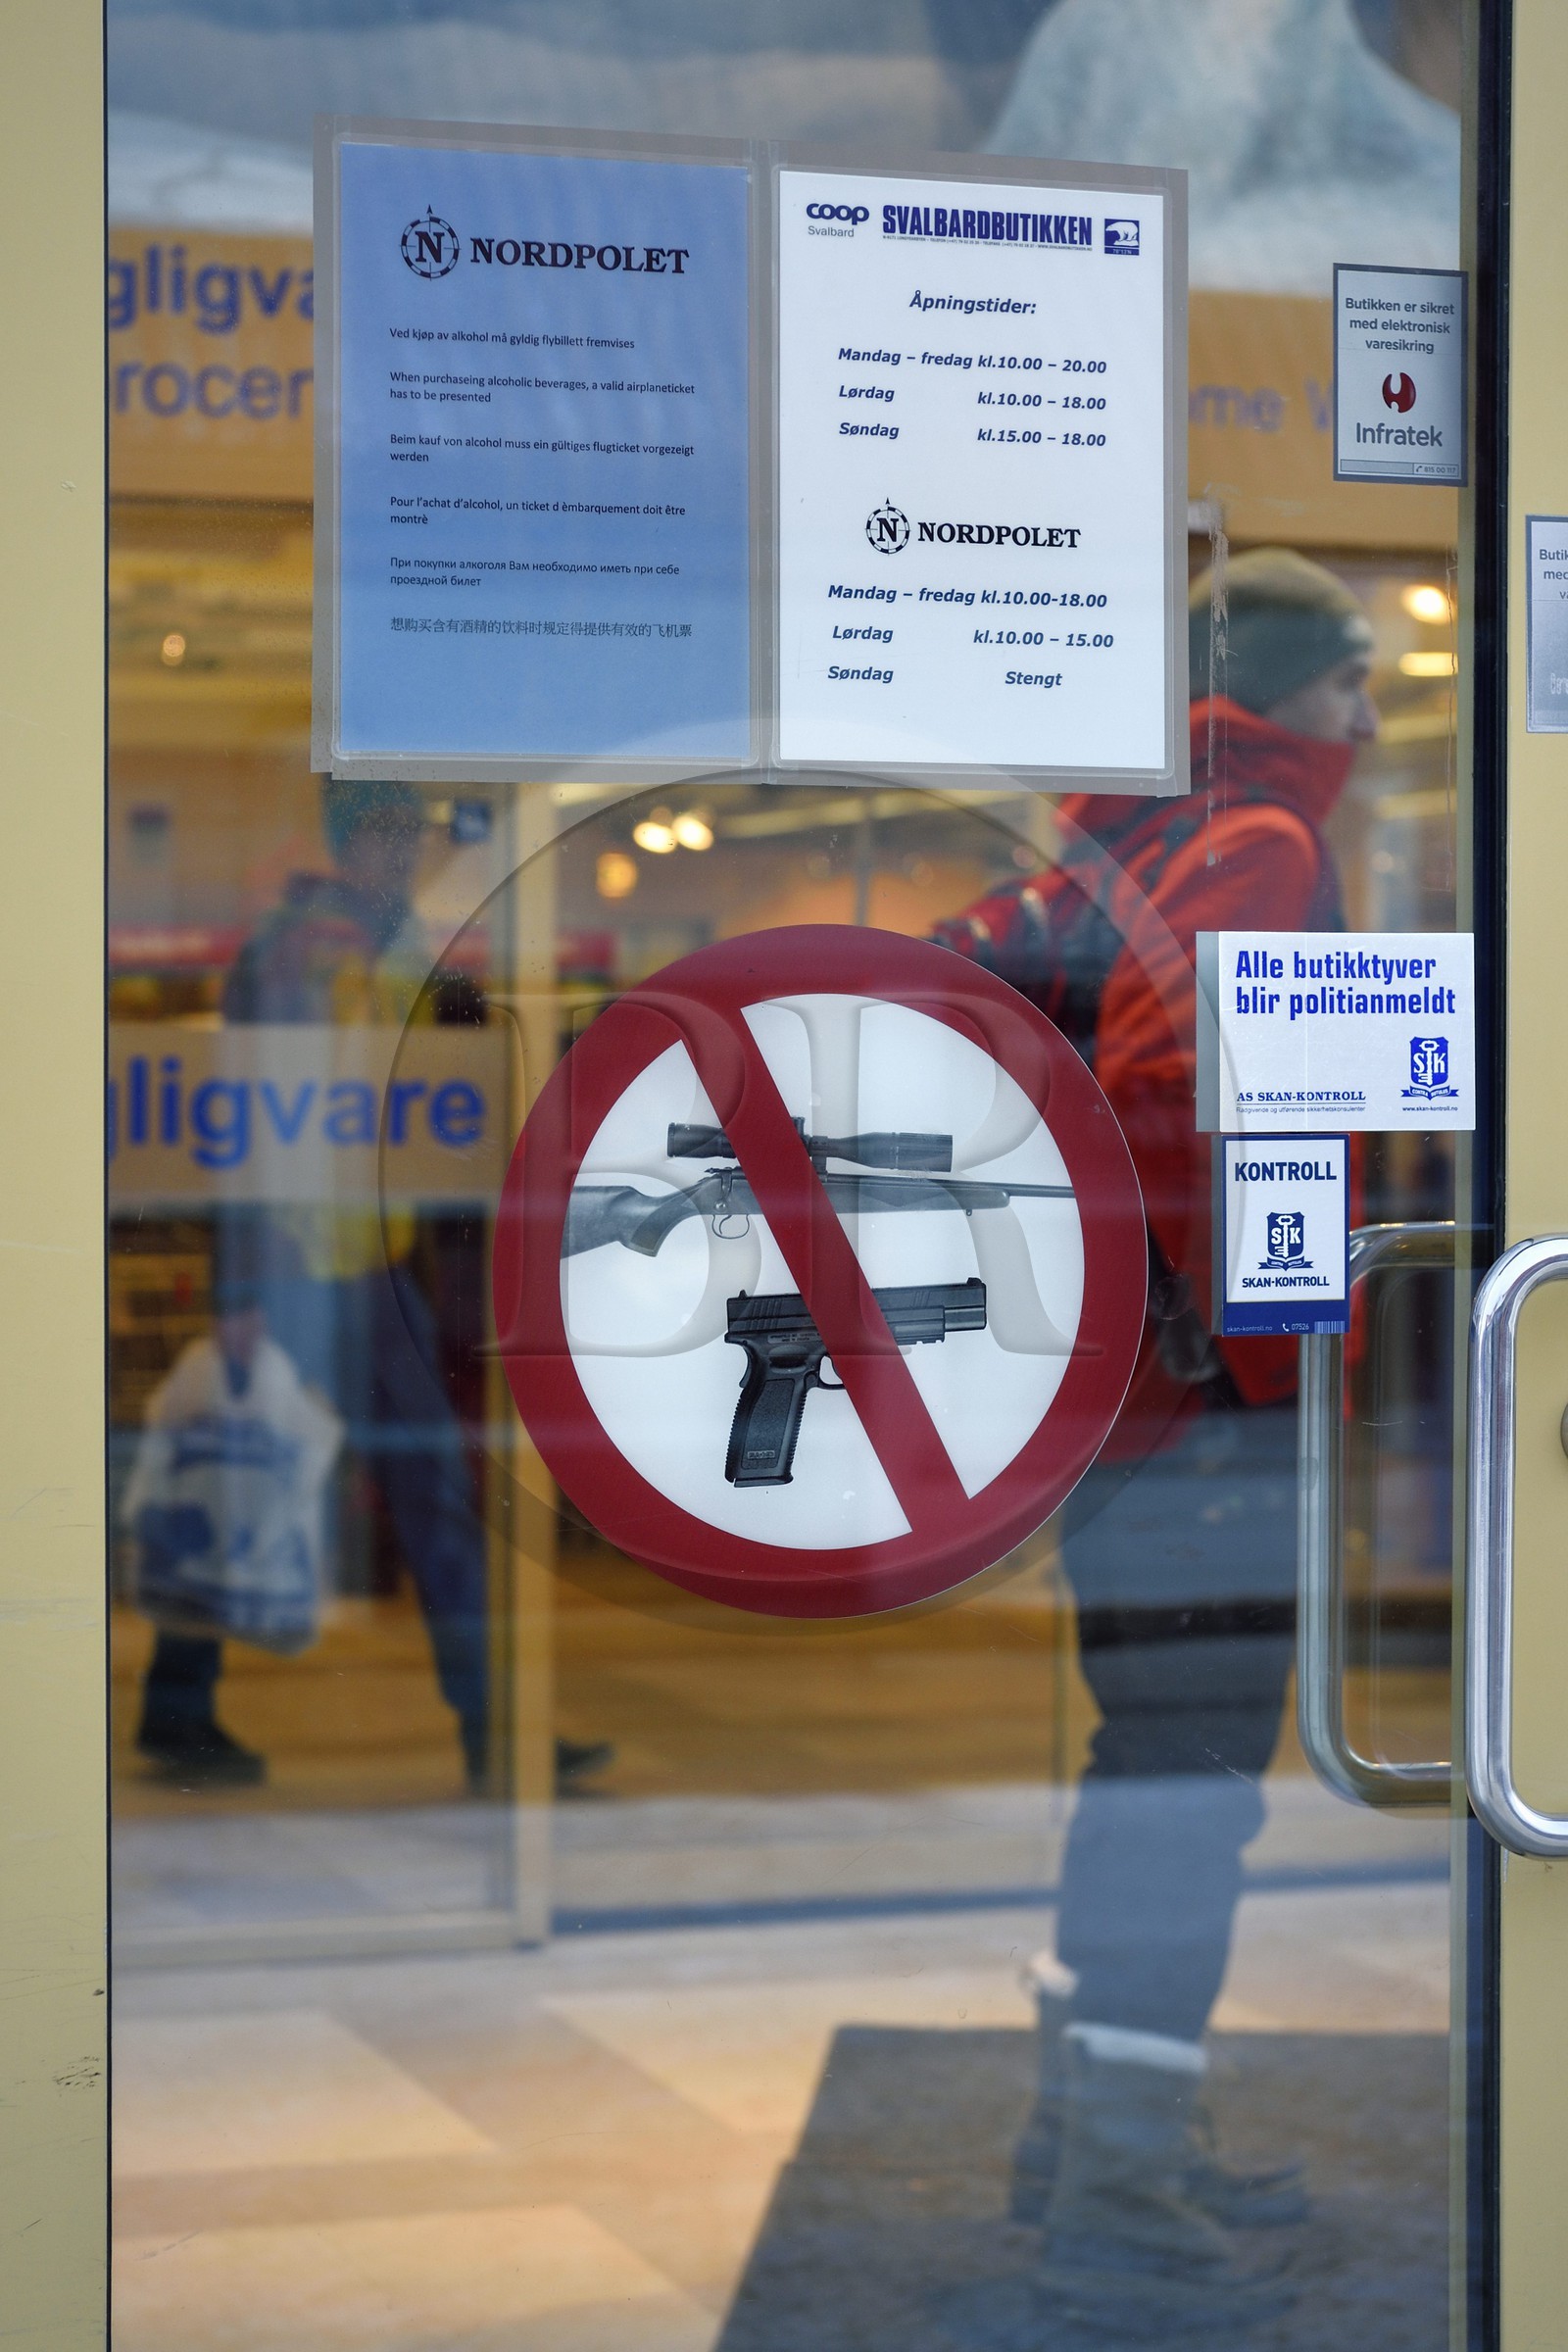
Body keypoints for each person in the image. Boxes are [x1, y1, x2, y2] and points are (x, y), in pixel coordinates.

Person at [934, 550, 1378, 2327]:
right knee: (1189, 1804)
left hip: (1122, 1414)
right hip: (1204, 1417)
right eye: (1350, 679)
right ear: (1286, 691)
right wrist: (1234, 1321)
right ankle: (1117, 2186)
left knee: (1142, 1788)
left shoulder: (1119, 835)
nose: (1369, 712)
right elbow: (1174, 1078)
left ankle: (1099, 2143)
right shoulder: (1257, 840)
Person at [137, 778, 612, 1795]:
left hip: (374, 1268)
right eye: (394, 838)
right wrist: (239, 1286)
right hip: (297, 1269)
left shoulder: (403, 951)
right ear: (352, 843)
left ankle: (495, 1729)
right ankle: (177, 1710)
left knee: (433, 1494)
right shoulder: (295, 952)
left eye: (420, 839)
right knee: (248, 1475)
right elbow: (246, 1124)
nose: (411, 856)